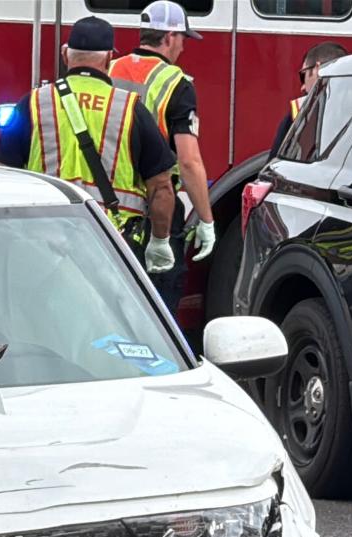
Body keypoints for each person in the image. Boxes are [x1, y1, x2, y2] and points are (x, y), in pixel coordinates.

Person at [0, 16, 177, 276]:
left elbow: (3, 177)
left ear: (66, 55)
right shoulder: (129, 108)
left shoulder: (33, 103)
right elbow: (161, 187)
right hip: (111, 244)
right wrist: (159, 241)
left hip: (40, 243)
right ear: (108, 60)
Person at [108, 0, 216, 309]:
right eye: (183, 38)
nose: (183, 47)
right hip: (155, 211)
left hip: (104, 208)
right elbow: (188, 160)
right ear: (169, 37)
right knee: (156, 311)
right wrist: (207, 220)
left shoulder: (109, 70)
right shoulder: (177, 85)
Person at [271, 41, 346, 159]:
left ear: (317, 70)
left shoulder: (301, 110)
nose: (303, 87)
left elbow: (274, 167)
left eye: (303, 76)